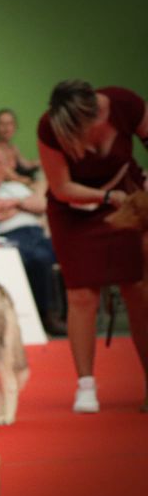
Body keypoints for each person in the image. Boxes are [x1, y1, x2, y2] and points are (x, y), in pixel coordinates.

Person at [36, 79, 148, 413]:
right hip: (75, 212)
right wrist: (107, 197)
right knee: (81, 295)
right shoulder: (49, 127)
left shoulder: (126, 103)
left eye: (76, 130)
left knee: (137, 289)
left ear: (95, 115)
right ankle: (86, 386)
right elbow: (61, 187)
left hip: (128, 203)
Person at [0, 146, 66, 336]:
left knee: (69, 252)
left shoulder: (16, 187)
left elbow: (42, 205)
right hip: (10, 237)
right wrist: (22, 206)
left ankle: (73, 313)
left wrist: (15, 203)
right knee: (40, 259)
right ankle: (48, 315)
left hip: (38, 234)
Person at [0, 108, 43, 190]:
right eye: (2, 124)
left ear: (15, 126)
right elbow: (14, 178)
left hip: (23, 185)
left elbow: (27, 165)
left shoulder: (13, 148)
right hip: (9, 189)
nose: (6, 128)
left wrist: (45, 161)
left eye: (10, 123)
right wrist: (36, 183)